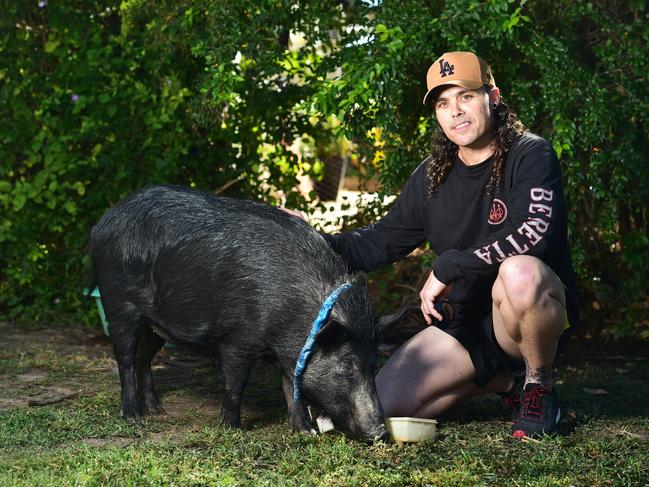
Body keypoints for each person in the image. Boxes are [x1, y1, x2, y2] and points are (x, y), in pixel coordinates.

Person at [315, 51, 580, 438]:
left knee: (519, 272)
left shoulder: (530, 154)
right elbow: (381, 241)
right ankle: (506, 383)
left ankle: (539, 389)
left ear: (494, 97)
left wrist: (450, 266)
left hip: (524, 315)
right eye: (443, 103)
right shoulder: (432, 175)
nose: (455, 111)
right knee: (384, 405)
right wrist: (309, 241)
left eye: (466, 96)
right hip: (466, 322)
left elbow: (535, 233)